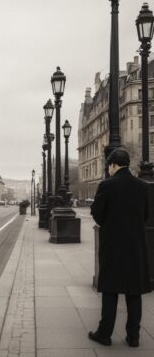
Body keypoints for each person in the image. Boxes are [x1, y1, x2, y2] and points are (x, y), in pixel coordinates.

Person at [89, 147, 151, 348]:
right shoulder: (142, 186)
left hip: (113, 245)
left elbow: (98, 215)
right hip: (135, 245)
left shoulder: (106, 186)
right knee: (134, 291)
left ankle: (104, 334)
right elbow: (146, 216)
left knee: (110, 289)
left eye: (109, 166)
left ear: (113, 165)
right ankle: (133, 336)